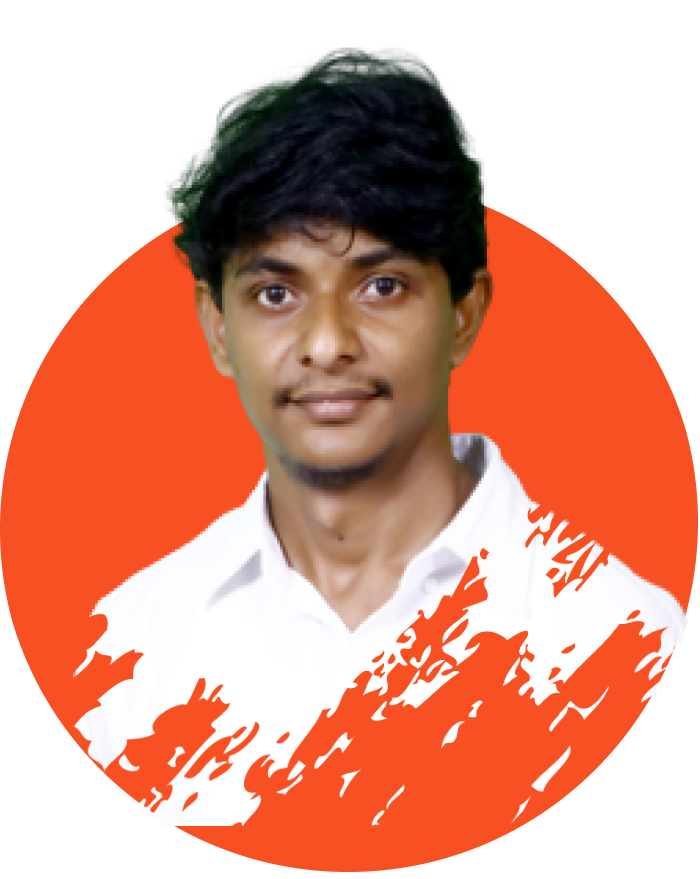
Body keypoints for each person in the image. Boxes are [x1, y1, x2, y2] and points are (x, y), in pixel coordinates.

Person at [74, 51, 687, 848]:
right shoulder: (129, 652)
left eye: (382, 285)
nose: (327, 343)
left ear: (465, 312)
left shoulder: (626, 642)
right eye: (274, 293)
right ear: (217, 328)